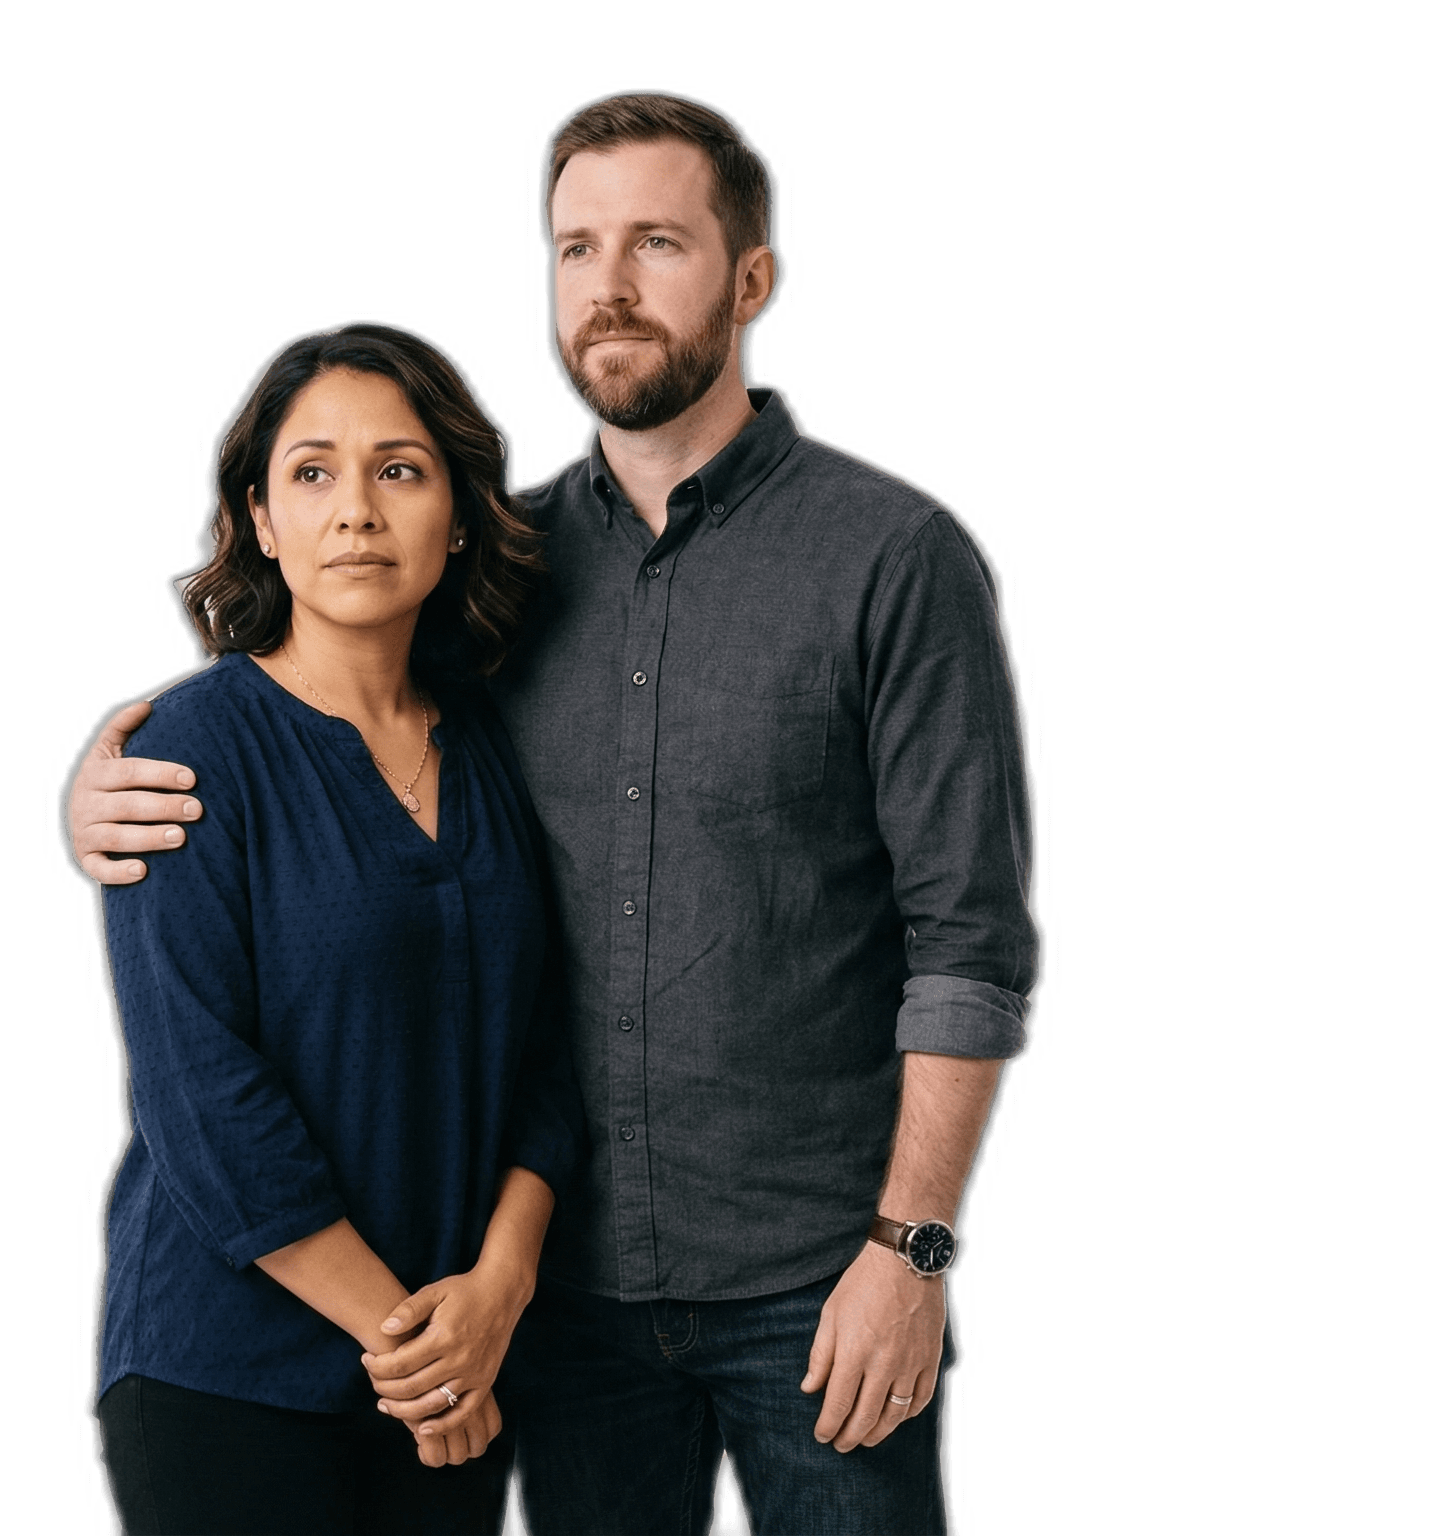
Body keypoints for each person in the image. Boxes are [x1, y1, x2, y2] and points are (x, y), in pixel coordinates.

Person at [68, 92, 1045, 1535]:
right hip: (560, 1310)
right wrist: (101, 783)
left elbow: (971, 940)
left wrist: (913, 1249)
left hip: (814, 1282)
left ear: (756, 278)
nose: (612, 286)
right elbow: (323, 722)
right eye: (577, 248)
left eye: (659, 241)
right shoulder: (497, 589)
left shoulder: (895, 558)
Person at [84, 319, 581, 1535]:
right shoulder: (191, 755)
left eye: (398, 470)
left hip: (455, 1367)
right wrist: (411, 1346)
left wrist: (498, 1295)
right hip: (228, 1375)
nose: (356, 509)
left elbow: (548, 1056)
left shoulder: (493, 745)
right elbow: (204, 1101)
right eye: (312, 473)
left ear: (457, 515)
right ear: (258, 517)